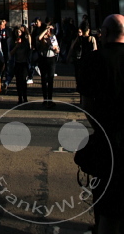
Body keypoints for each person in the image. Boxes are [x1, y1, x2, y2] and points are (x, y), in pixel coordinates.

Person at [79, 14, 124, 234]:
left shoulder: (93, 60)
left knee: (108, 208)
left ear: (104, 33)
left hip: (108, 141)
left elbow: (86, 104)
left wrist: (100, 127)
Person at [68, 20, 97, 89]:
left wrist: (68, 57)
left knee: (80, 77)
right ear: (88, 30)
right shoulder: (91, 39)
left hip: (81, 60)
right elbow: (95, 49)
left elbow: (72, 47)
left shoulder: (79, 39)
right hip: (90, 61)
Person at [38, 20, 59, 107]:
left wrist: (56, 49)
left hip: (51, 59)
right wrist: (45, 30)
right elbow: (39, 38)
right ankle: (45, 99)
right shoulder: (42, 38)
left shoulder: (53, 37)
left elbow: (57, 49)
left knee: (50, 79)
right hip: (43, 59)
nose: (49, 31)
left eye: (50, 30)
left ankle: (50, 99)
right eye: (48, 29)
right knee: (43, 79)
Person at [9, 26, 31, 104]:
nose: (18, 34)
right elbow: (10, 53)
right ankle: (20, 97)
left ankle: (25, 97)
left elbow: (29, 51)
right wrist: (16, 46)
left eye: (19, 32)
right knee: (18, 81)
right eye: (17, 32)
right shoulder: (13, 42)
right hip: (17, 63)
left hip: (24, 63)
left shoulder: (25, 42)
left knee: (23, 80)